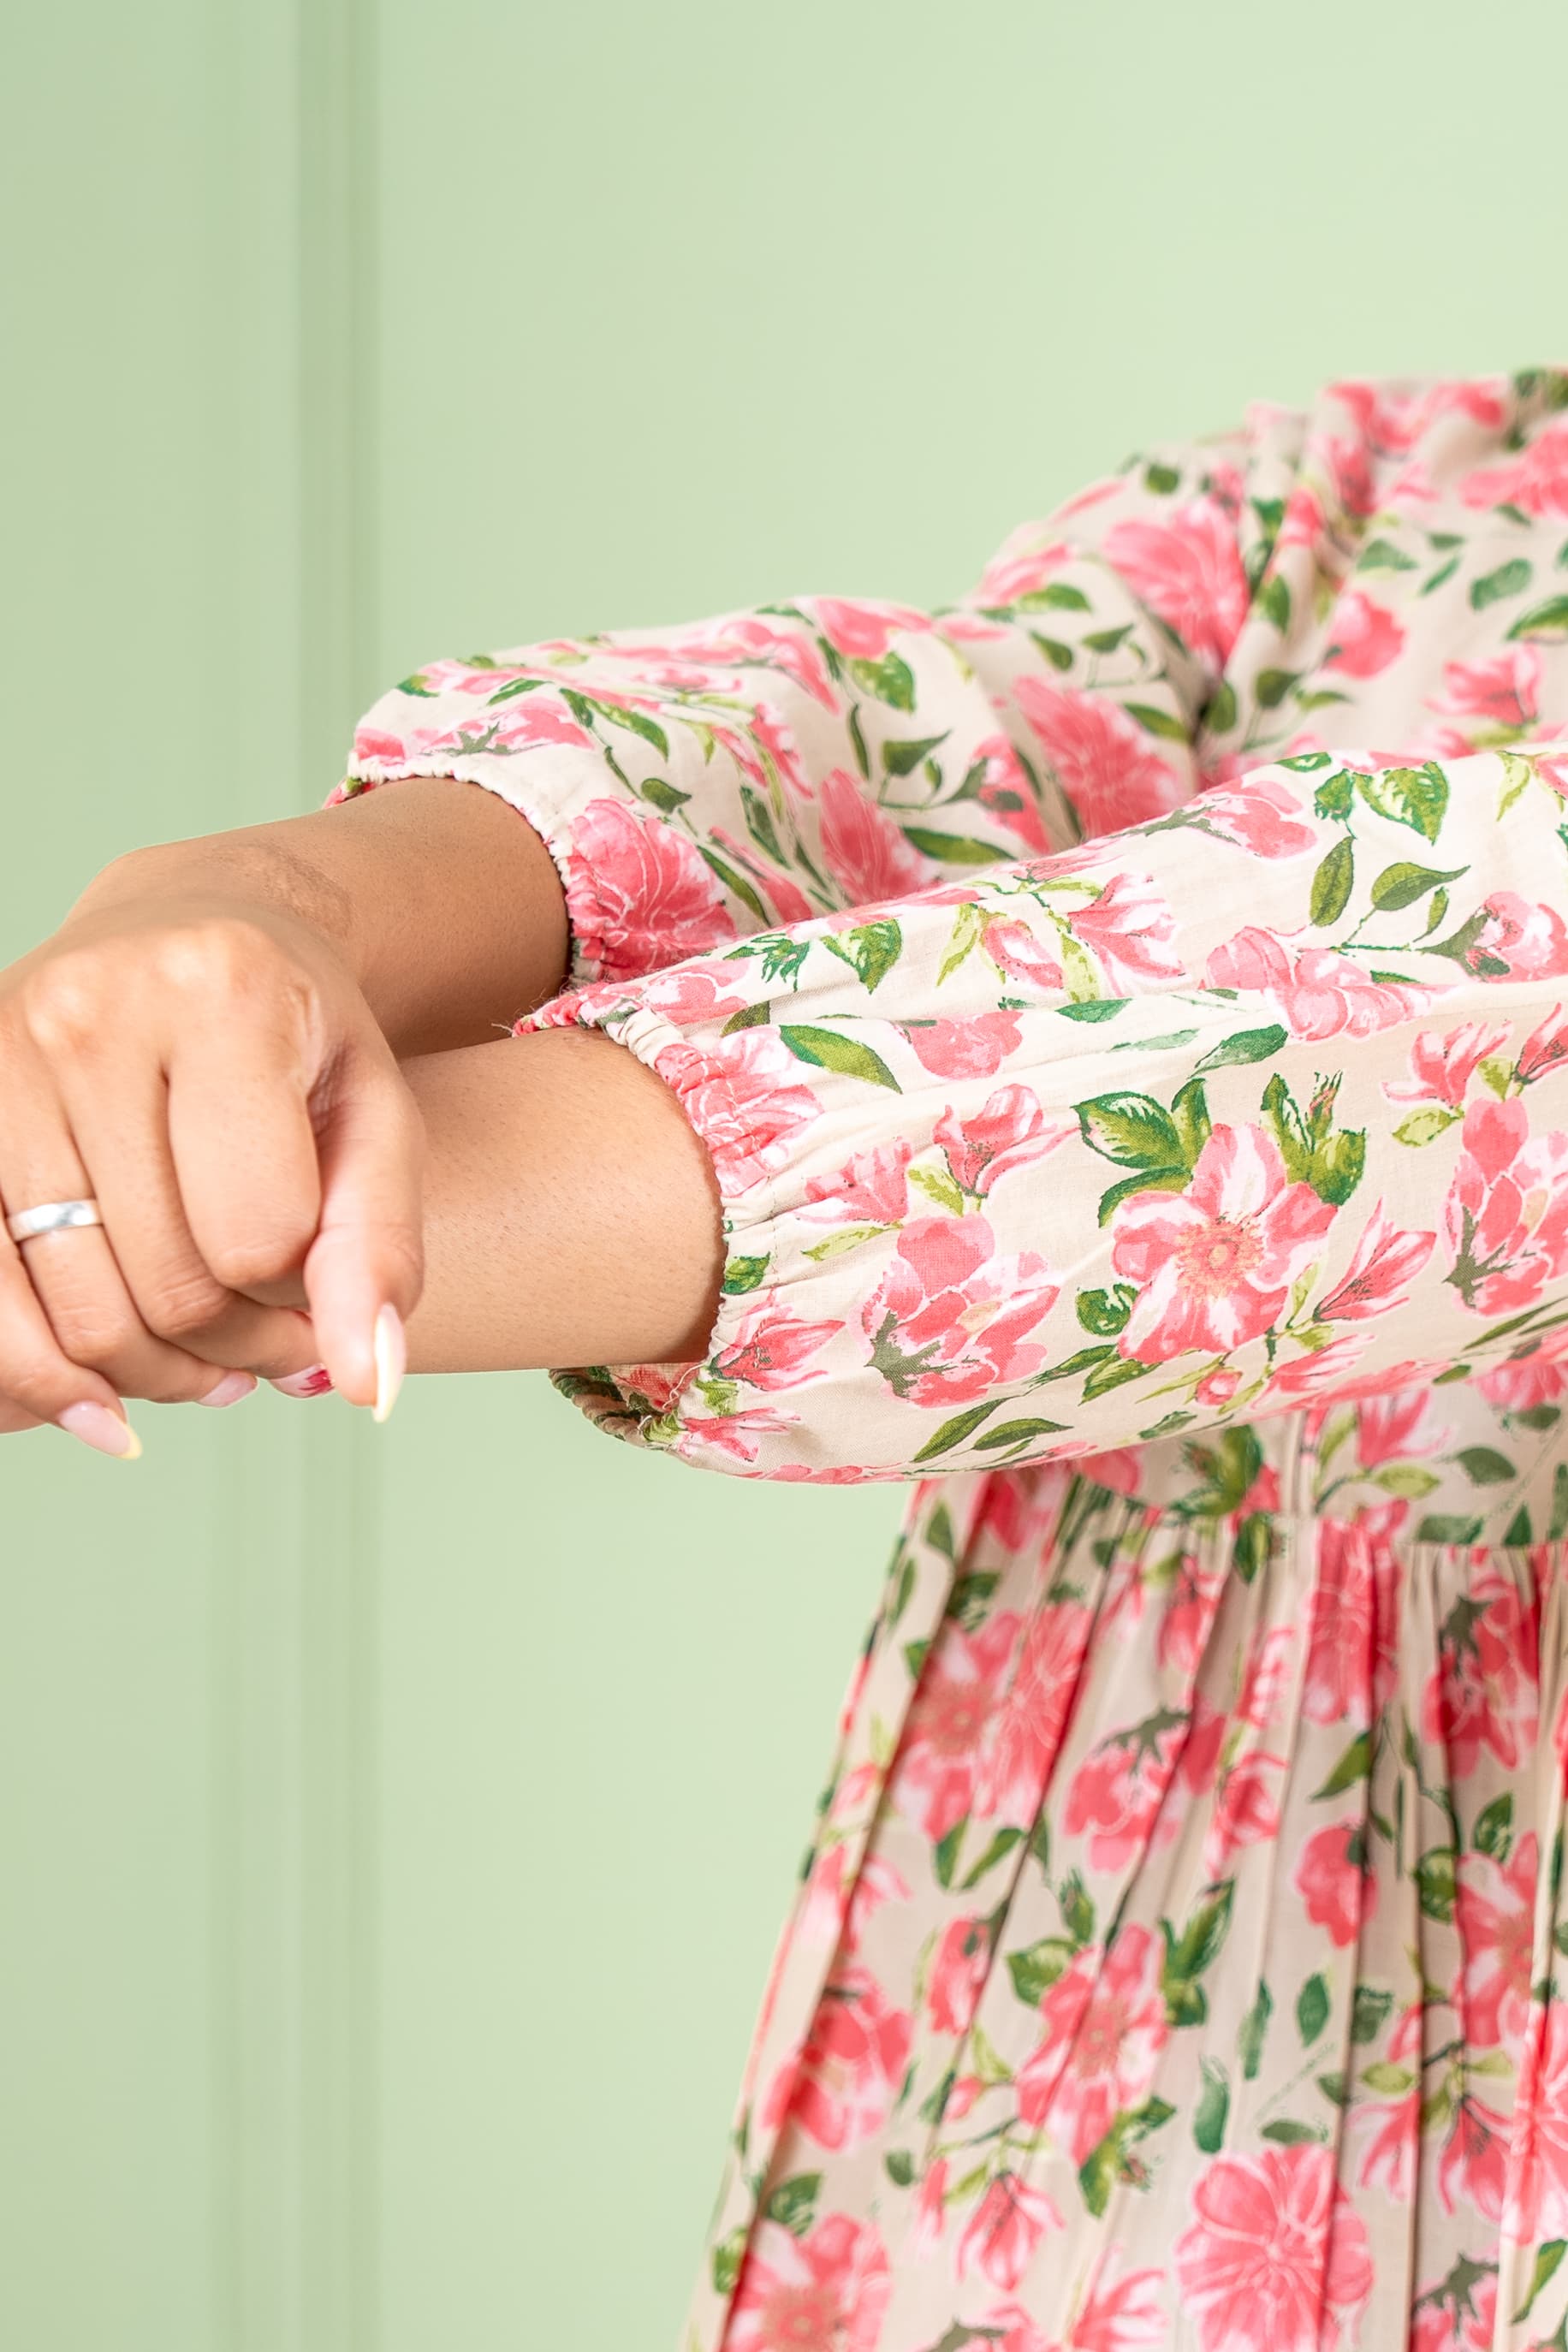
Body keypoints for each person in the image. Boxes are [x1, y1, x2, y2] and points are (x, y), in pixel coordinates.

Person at [4, 365, 1568, 2347]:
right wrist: (249, 913)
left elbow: (1431, 1006)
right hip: (1102, 2100)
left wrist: (193, 1195)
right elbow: (874, 749)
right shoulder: (1360, 500)